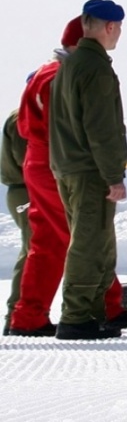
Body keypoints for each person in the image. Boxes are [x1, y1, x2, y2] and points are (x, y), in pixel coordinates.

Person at [10, 15, 127, 337]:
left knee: (50, 241)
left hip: (38, 161)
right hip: (64, 161)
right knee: (87, 236)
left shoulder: (43, 73)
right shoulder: (67, 75)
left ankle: (28, 316)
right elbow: (87, 124)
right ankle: (104, 308)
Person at [48, 0, 127, 340]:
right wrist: (114, 175)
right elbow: (102, 128)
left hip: (68, 168)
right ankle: (77, 316)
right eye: (119, 29)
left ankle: (92, 314)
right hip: (89, 172)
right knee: (89, 243)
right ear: (110, 27)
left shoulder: (68, 66)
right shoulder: (96, 68)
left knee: (95, 241)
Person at [2, 108, 29, 335]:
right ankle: (15, 315)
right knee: (34, 249)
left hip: (27, 188)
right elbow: (27, 159)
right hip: (26, 189)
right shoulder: (23, 116)